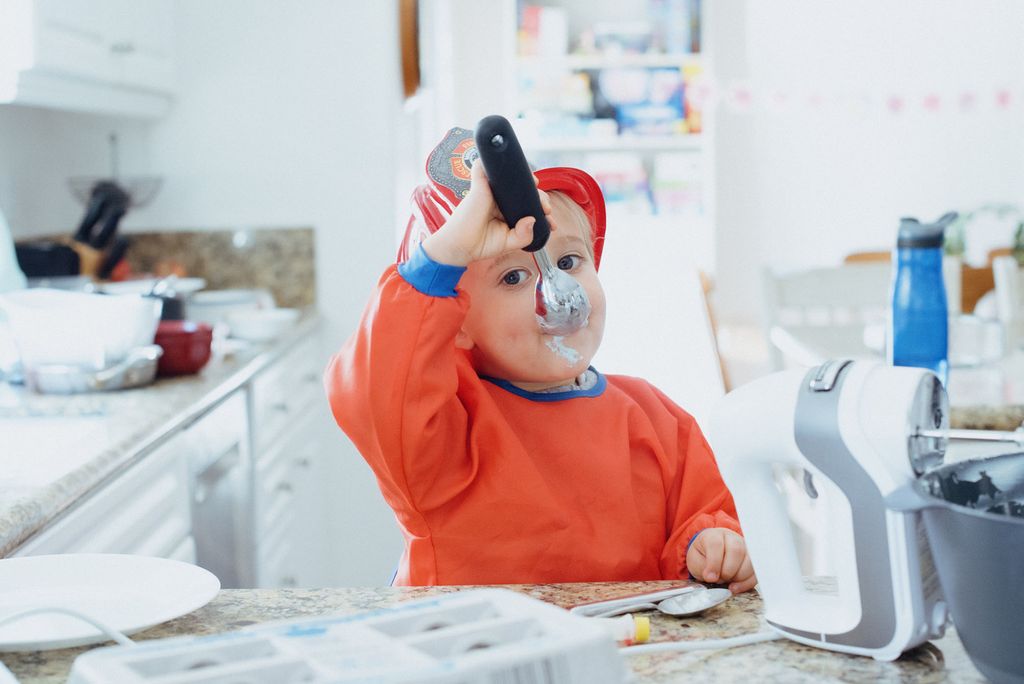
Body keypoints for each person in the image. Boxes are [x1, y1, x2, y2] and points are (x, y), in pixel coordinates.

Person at [325, 143, 755, 592]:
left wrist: (711, 545)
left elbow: (704, 517)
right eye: (512, 277)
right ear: (456, 325)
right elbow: (376, 388)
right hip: (476, 652)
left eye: (569, 262)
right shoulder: (440, 428)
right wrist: (448, 251)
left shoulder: (657, 419)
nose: (557, 289)